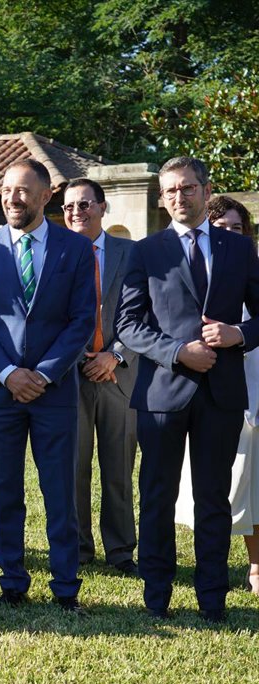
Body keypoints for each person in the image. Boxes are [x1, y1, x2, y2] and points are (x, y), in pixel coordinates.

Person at [0, 158, 95, 611]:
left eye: (21, 190)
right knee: (5, 492)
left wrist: (43, 374)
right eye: (5, 190)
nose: (11, 198)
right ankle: (12, 582)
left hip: (53, 393)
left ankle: (66, 586)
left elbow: (82, 321)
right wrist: (8, 373)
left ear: (45, 195)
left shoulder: (75, 249)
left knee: (59, 492)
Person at [132, 177, 259, 619]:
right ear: (161, 198)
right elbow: (129, 324)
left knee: (213, 498)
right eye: (170, 190)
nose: (178, 197)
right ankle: (156, 596)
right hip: (162, 393)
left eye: (187, 188)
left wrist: (237, 333)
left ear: (206, 192)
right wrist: (177, 352)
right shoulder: (146, 251)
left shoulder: (238, 247)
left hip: (222, 394)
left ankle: (212, 598)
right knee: (157, 496)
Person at [176, 197, 259, 593]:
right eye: (219, 227)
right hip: (210, 387)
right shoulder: (194, 269)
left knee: (253, 480)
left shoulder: (250, 269)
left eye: (236, 227)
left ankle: (256, 565)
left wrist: (237, 334)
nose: (227, 234)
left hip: (253, 377)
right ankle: (212, 563)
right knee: (224, 482)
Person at [63, 178, 139, 575]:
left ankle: (121, 551)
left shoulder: (131, 253)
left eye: (84, 204)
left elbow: (145, 312)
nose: (76, 212)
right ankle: (78, 548)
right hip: (69, 376)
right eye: (69, 206)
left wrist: (115, 355)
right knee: (73, 467)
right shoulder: (55, 254)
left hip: (119, 376)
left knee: (118, 468)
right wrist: (80, 358)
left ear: (102, 207)